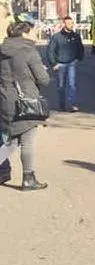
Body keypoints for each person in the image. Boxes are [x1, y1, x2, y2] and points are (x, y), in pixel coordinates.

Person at [0, 20, 51, 190]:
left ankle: (29, 178)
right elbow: (44, 79)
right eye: (33, 31)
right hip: (26, 102)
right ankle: (28, 178)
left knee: (12, 141)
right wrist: (40, 70)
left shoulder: (2, 51)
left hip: (5, 100)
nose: (36, 34)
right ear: (24, 33)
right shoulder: (29, 51)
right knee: (27, 140)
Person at [45, 15, 84, 112]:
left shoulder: (76, 36)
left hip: (71, 63)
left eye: (72, 23)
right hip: (60, 64)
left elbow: (80, 49)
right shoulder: (56, 37)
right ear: (64, 24)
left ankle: (72, 105)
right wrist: (54, 63)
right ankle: (61, 105)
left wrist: (78, 59)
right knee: (61, 86)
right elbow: (50, 51)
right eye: (68, 23)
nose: (71, 25)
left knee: (72, 84)